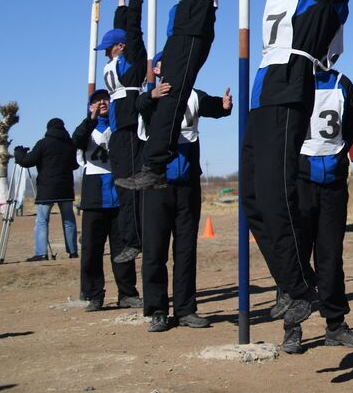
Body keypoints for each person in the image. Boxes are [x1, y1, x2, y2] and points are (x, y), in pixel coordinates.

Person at [243, 0, 353, 353]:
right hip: (262, 93)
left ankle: (307, 297)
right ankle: (293, 287)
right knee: (254, 202)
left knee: (283, 197)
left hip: (290, 85)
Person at [120, 0, 235, 190]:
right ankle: (154, 165)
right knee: (167, 93)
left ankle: (156, 165)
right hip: (181, 25)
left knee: (174, 95)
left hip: (196, 24)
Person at [137, 61, 232, 331]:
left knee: (186, 250)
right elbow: (139, 109)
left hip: (188, 184)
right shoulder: (154, 96)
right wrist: (150, 96)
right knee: (155, 250)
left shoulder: (193, 94)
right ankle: (157, 310)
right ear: (157, 70)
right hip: (157, 184)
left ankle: (186, 308)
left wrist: (224, 106)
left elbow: (212, 106)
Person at [294, 56, 353, 350]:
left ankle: (335, 324)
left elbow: (350, 130)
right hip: (299, 182)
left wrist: (338, 161)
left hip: (333, 184)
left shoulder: (343, 84)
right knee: (296, 256)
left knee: (330, 256)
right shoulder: (291, 82)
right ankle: (292, 326)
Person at [72, 89, 142, 310]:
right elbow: (77, 139)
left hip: (119, 197)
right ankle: (94, 294)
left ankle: (127, 293)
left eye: (106, 99)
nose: (102, 103)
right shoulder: (86, 129)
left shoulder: (121, 127)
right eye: (97, 100)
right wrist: (90, 120)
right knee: (91, 250)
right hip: (94, 199)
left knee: (122, 249)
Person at [96, 0, 148, 263]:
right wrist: (119, 0)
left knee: (130, 185)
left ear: (119, 47)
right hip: (118, 129)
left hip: (129, 126)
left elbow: (132, 31)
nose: (104, 52)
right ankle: (131, 237)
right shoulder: (111, 63)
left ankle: (135, 239)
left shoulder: (133, 61)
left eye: (109, 47)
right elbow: (120, 28)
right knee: (121, 185)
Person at [14, 118, 79, 261]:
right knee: (69, 220)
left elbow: (27, 161)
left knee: (42, 221)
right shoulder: (70, 144)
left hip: (46, 190)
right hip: (66, 189)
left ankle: (41, 253)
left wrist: (19, 153)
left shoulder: (43, 144)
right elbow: (75, 165)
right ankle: (73, 252)